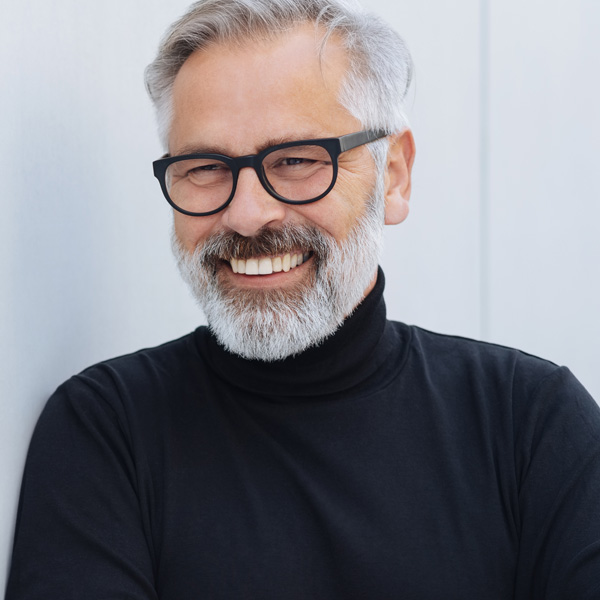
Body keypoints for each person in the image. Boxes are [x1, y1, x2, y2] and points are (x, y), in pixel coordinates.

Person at [6, 0, 600, 598]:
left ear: (392, 175)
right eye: (206, 166)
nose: (245, 215)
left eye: (294, 160)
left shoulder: (533, 427)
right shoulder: (106, 435)